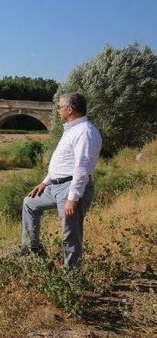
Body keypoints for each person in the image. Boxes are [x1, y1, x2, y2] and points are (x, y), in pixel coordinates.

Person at [19, 92, 102, 268]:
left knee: (70, 235)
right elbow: (62, 162)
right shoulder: (71, 130)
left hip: (71, 188)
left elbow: (82, 168)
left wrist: (73, 199)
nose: (57, 110)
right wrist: (45, 182)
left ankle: (72, 275)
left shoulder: (85, 132)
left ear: (70, 109)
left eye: (59, 107)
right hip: (55, 185)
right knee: (29, 203)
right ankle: (31, 250)